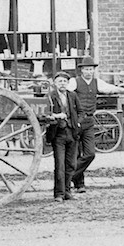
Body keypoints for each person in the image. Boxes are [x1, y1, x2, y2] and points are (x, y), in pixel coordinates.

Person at [67, 56, 124, 193]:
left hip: (89, 121)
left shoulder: (97, 83)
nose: (89, 72)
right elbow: (64, 92)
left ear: (93, 70)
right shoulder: (74, 82)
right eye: (86, 69)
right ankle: (79, 185)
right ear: (81, 70)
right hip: (75, 120)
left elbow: (112, 89)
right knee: (76, 153)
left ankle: (69, 176)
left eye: (91, 69)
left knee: (90, 154)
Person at [46, 71, 82, 202]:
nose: (62, 84)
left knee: (71, 164)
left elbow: (81, 112)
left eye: (65, 81)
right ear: (55, 83)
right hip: (58, 134)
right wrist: (56, 116)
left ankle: (67, 191)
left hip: (72, 133)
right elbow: (46, 113)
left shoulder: (73, 95)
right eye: (60, 81)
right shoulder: (51, 96)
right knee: (60, 166)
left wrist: (78, 122)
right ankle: (59, 194)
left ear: (68, 83)